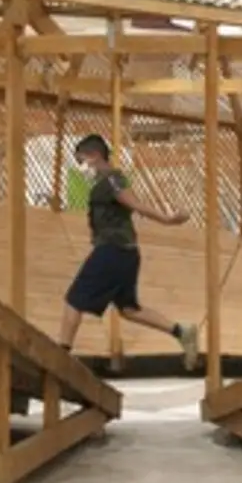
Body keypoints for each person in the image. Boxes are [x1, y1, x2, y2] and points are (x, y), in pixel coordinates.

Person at [58, 134, 200, 371]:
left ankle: (61, 354)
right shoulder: (103, 183)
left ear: (94, 156)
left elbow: (134, 203)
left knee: (73, 300)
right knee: (130, 309)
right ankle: (181, 331)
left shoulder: (111, 179)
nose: (80, 168)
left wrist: (167, 220)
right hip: (126, 252)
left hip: (112, 250)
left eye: (81, 161)